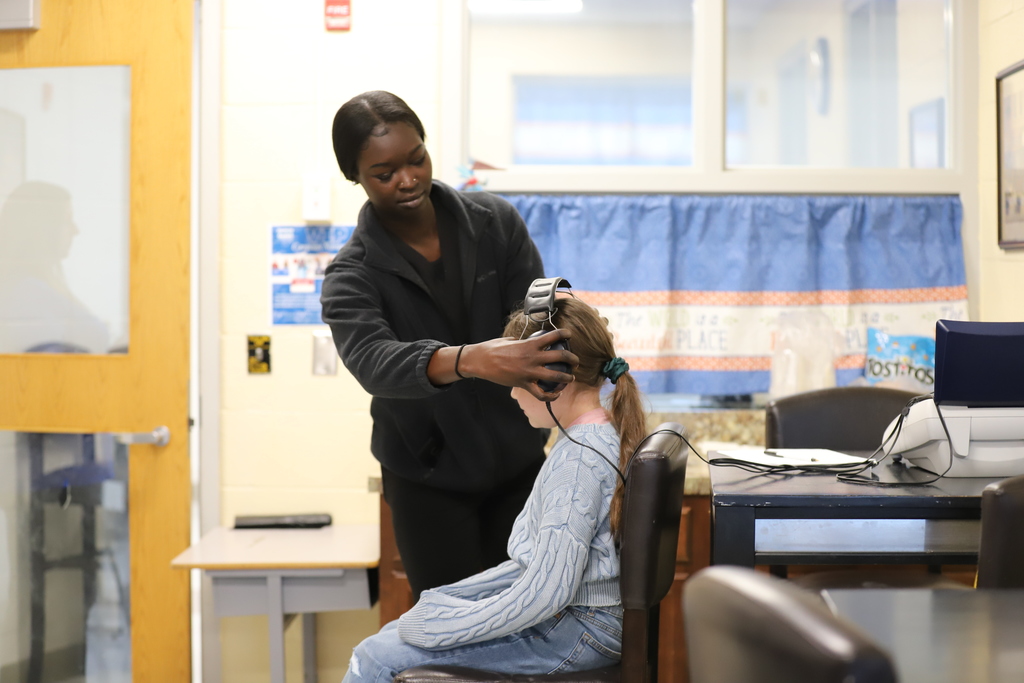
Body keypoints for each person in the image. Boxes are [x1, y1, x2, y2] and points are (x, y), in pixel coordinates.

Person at [321, 90, 578, 598]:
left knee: (532, 616)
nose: (408, 178)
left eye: (416, 158)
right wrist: (471, 360)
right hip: (427, 486)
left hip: (520, 470)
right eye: (385, 172)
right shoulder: (351, 275)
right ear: (356, 177)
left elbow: (537, 317)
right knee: (455, 638)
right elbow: (374, 362)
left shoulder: (495, 224)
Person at [341, 295, 646, 683]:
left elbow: (546, 593)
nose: (512, 394)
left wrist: (441, 629)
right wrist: (442, 604)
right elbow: (532, 574)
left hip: (576, 632)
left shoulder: (579, 461)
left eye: (516, 382)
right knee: (391, 635)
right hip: (581, 623)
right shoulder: (595, 435)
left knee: (375, 658)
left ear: (551, 377)